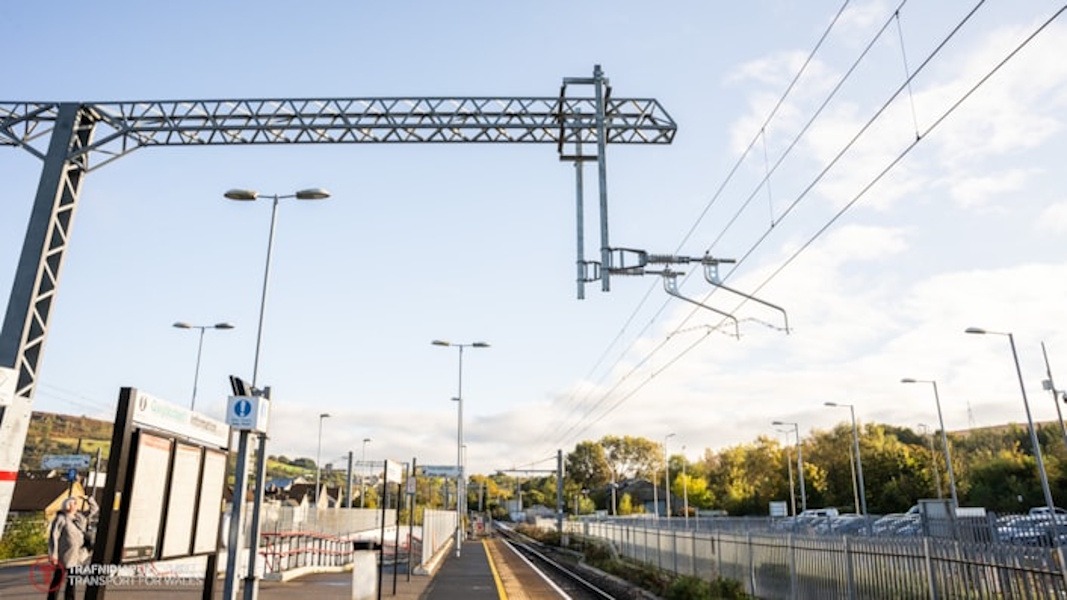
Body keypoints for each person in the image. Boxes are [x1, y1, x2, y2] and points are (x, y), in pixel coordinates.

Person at [47, 494, 99, 600]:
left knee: (72, 581)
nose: (76, 505)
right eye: (74, 503)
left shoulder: (80, 517)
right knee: (58, 579)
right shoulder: (61, 518)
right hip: (64, 554)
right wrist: (54, 554)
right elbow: (54, 536)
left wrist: (88, 499)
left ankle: (70, 598)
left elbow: (94, 509)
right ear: (68, 505)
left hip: (77, 554)